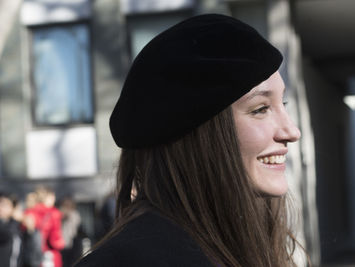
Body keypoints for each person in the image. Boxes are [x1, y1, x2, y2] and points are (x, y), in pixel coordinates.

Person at [76, 14, 302, 267]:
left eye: (282, 104)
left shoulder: (235, 244)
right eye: (260, 109)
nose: (292, 131)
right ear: (200, 135)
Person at [24, 187, 65, 267]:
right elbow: (55, 240)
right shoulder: (53, 213)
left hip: (32, 256)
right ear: (49, 197)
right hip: (49, 256)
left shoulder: (29, 212)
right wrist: (61, 244)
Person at [0, 192, 22, 267]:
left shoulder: (17, 225)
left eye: (5, 205)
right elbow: (5, 234)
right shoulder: (13, 224)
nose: (1, 207)